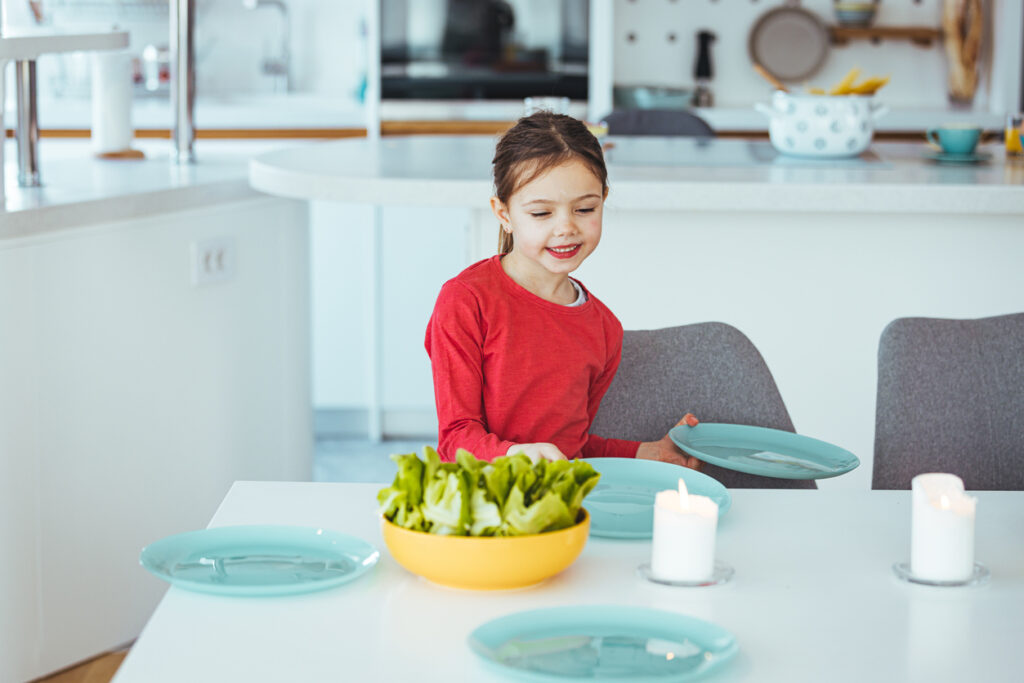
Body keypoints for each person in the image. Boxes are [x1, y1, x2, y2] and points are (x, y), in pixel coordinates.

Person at [424, 111, 701, 468]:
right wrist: (515, 455)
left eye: (585, 209)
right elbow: (456, 438)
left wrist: (646, 452)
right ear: (504, 213)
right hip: (480, 504)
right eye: (541, 214)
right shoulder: (465, 302)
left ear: (604, 198)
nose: (566, 228)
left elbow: (572, 450)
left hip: (561, 507)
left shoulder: (604, 329)